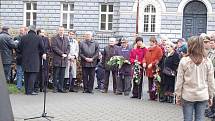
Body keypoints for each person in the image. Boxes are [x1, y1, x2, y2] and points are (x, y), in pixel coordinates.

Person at [175, 36, 215, 121]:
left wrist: (178, 96)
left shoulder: (184, 61)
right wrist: (211, 96)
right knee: (200, 119)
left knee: (187, 119)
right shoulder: (208, 61)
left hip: (188, 95)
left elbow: (179, 81)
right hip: (202, 95)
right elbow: (211, 82)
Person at [17, 25, 45, 95]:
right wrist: (37, 52)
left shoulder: (23, 37)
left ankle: (27, 91)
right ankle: (30, 91)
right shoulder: (38, 38)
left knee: (26, 75)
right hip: (34, 60)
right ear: (35, 30)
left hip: (25, 59)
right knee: (32, 75)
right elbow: (42, 49)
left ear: (28, 30)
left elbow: (18, 48)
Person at [143, 36, 163, 101]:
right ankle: (151, 96)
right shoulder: (148, 49)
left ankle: (155, 96)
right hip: (149, 69)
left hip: (155, 69)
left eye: (151, 42)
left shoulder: (158, 49)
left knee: (155, 83)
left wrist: (152, 63)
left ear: (154, 42)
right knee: (150, 82)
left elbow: (159, 59)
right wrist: (144, 62)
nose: (150, 43)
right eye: (150, 41)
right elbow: (145, 57)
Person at [51, 26, 70, 93]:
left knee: (62, 75)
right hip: (57, 59)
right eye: (60, 30)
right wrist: (62, 54)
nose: (61, 31)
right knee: (55, 75)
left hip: (64, 60)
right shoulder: (54, 38)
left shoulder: (66, 39)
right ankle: (55, 88)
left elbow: (68, 47)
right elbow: (54, 47)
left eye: (62, 30)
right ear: (58, 31)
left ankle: (60, 88)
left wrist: (66, 54)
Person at [34, 28, 51, 93]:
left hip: (45, 58)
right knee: (38, 72)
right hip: (38, 58)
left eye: (44, 32)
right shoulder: (36, 39)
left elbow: (49, 48)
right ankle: (37, 87)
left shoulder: (46, 39)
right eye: (42, 32)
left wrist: (45, 53)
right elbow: (36, 48)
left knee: (45, 72)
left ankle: (44, 87)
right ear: (38, 33)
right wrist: (41, 53)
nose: (43, 33)